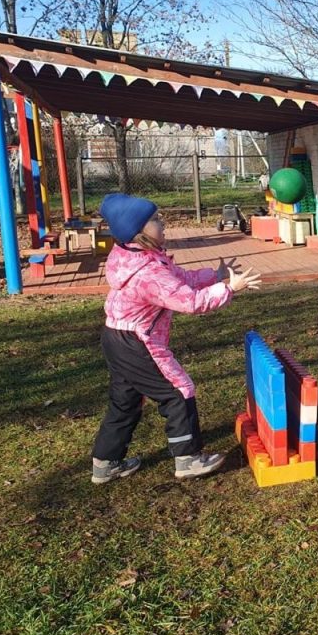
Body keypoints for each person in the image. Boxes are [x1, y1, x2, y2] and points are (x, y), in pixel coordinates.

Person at [91, 193, 260, 484]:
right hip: (136, 341)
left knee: (125, 401)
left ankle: (105, 463)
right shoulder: (148, 272)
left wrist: (214, 275)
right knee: (179, 391)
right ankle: (188, 459)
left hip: (116, 336)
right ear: (138, 231)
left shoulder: (136, 256)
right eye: (156, 220)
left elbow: (179, 280)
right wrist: (229, 288)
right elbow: (190, 302)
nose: (163, 223)